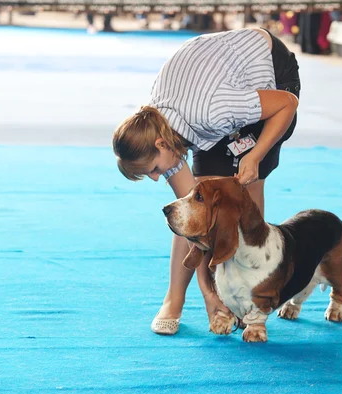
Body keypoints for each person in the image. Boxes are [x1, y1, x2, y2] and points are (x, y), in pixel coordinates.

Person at [112, 28, 300, 335]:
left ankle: (248, 296)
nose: (158, 178)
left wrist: (254, 157)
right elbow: (191, 227)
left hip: (271, 77)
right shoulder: (157, 126)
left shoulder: (213, 112)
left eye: (154, 170)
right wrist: (207, 292)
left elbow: (287, 104)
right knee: (193, 207)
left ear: (161, 145)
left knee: (243, 192)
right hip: (222, 86)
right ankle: (175, 299)